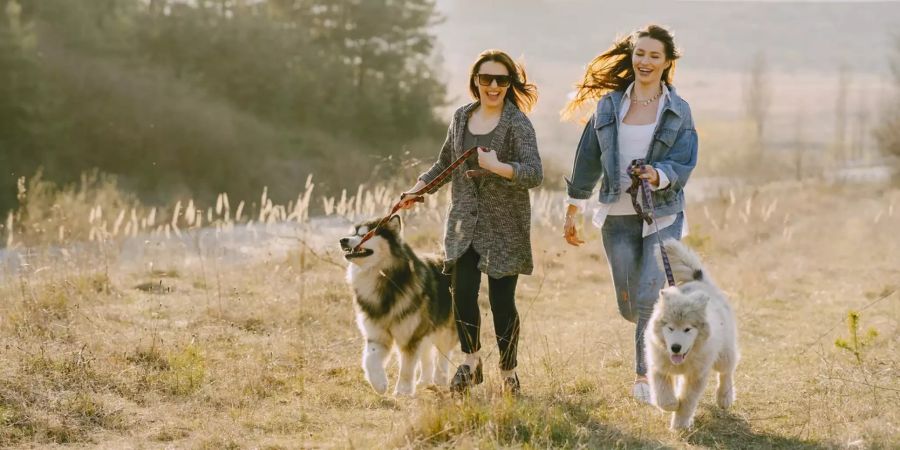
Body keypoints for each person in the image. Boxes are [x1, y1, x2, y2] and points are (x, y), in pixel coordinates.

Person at [561, 25, 699, 403]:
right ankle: (656, 334)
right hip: (617, 213)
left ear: (667, 62)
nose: (646, 61)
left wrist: (658, 174)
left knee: (647, 296)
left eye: (655, 55)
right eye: (640, 53)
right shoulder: (608, 106)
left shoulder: (678, 110)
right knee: (628, 304)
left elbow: (684, 161)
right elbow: (588, 157)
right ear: (632, 57)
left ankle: (645, 377)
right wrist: (573, 208)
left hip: (663, 214)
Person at [399, 49, 542, 395]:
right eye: (486, 79)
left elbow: (534, 173)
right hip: (463, 224)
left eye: (501, 80)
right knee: (461, 295)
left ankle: (508, 372)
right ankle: (471, 362)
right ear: (475, 81)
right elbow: (445, 163)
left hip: (504, 227)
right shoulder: (461, 118)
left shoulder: (517, 123)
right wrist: (417, 190)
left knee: (501, 303)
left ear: (509, 84)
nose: (493, 86)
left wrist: (498, 168)